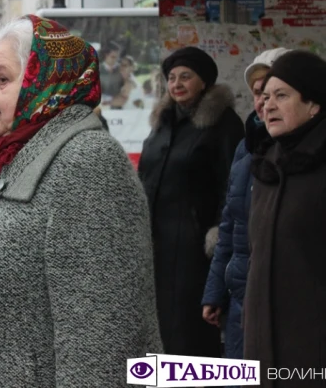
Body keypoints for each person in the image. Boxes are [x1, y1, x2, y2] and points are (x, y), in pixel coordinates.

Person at [0, 15, 162, 388]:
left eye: (3, 79)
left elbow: (103, 346)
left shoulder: (88, 164)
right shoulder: (3, 164)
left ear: (45, 82)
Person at [138, 46, 244, 357]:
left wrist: (218, 235)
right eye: (171, 78)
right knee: (156, 326)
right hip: (157, 242)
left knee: (188, 329)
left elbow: (232, 185)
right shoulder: (162, 123)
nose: (177, 83)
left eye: (186, 76)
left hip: (195, 249)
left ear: (204, 82)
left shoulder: (223, 124)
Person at [201, 48, 289, 362]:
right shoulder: (246, 148)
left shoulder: (309, 152)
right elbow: (231, 223)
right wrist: (215, 291)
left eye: (277, 92)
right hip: (241, 298)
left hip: (288, 305)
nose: (266, 101)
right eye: (258, 92)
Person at [244, 50, 326, 387]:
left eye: (282, 96)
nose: (268, 106)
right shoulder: (267, 164)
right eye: (265, 97)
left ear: (314, 104)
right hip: (264, 345)